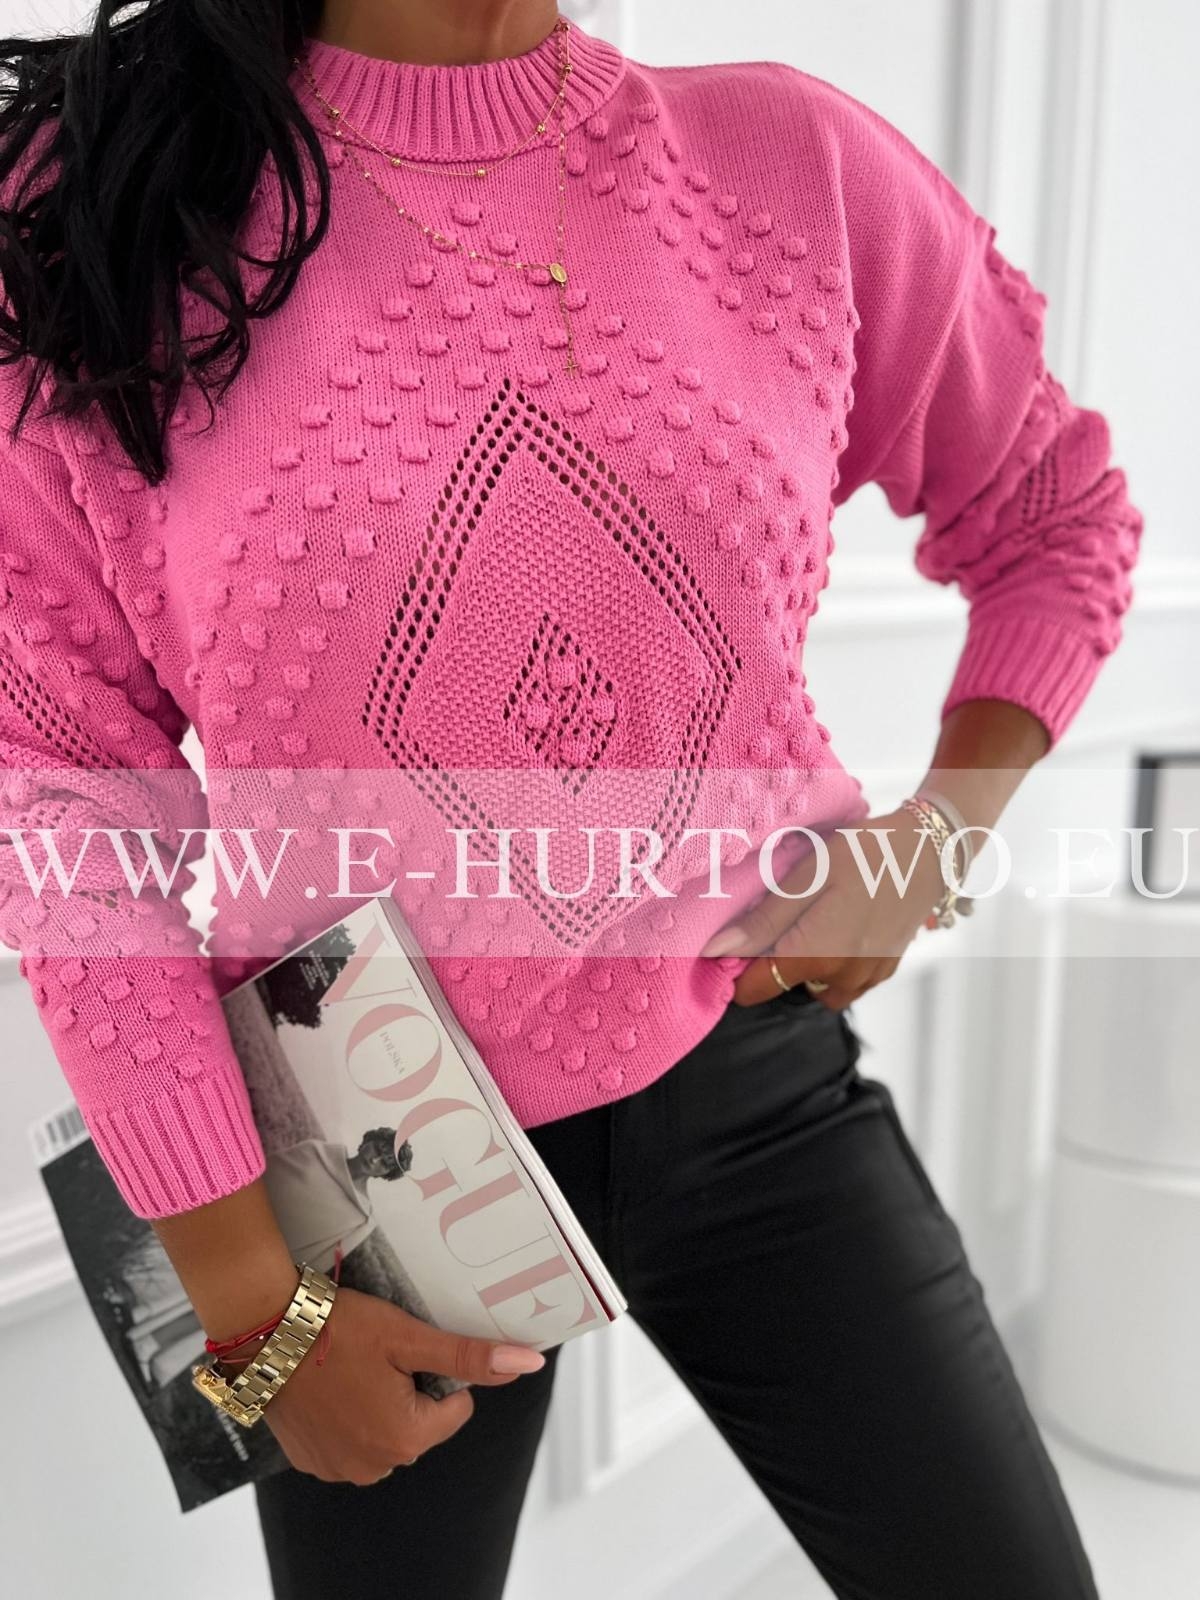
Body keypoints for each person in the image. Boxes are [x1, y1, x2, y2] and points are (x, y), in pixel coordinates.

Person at [0, 1, 1142, 1596]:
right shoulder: (103, 199)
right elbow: (60, 794)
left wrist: (937, 835)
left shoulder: (787, 163)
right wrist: (257, 1314)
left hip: (750, 1081)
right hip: (365, 1172)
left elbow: (1053, 511)